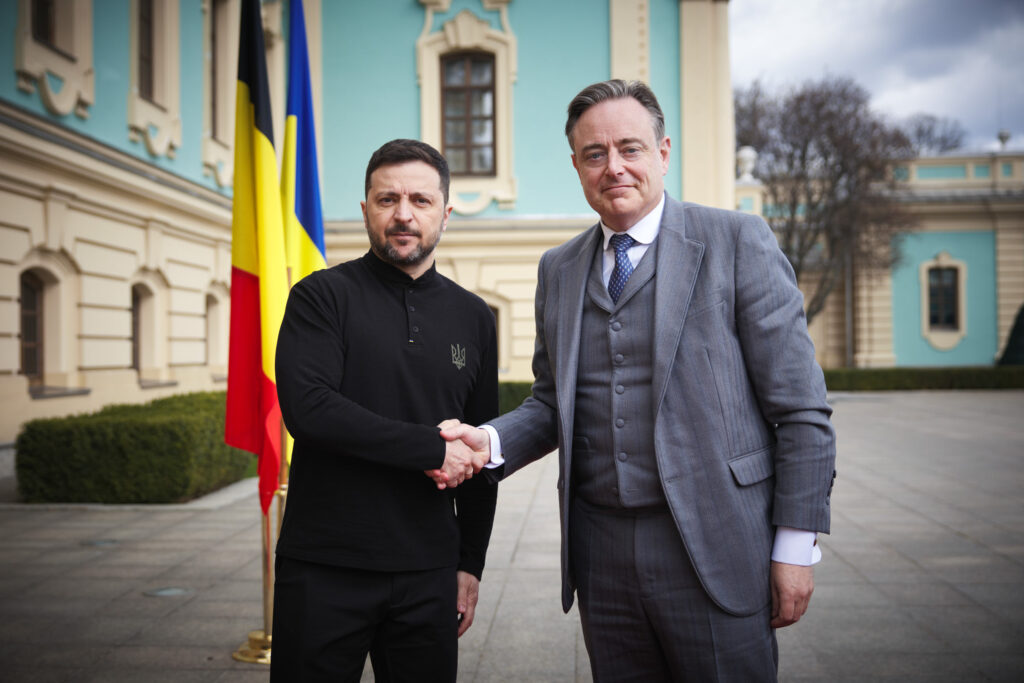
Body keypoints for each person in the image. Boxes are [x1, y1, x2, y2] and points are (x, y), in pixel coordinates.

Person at [438, 80, 837, 681]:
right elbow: (552, 402)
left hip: (716, 543)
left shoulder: (736, 241)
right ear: (576, 165)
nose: (614, 167)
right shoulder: (559, 268)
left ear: (664, 152)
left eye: (630, 148)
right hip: (601, 557)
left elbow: (801, 410)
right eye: (594, 154)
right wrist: (487, 442)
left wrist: (795, 547)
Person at [271, 139, 498, 682]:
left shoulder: (473, 317)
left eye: (420, 200)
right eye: (386, 199)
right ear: (365, 208)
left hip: (429, 571)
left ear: (445, 212)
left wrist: (470, 564)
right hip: (325, 565)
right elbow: (310, 409)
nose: (403, 214)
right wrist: (429, 449)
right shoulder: (320, 297)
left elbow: (481, 446)